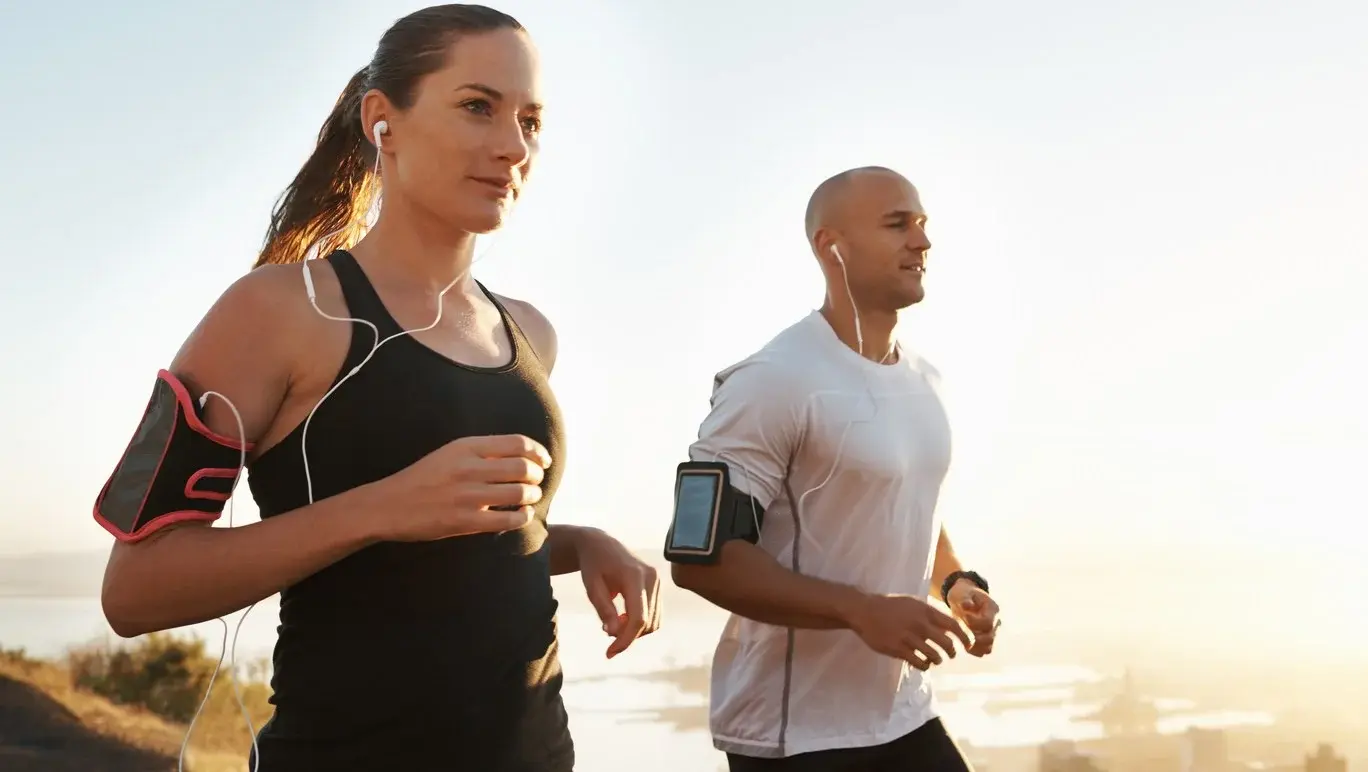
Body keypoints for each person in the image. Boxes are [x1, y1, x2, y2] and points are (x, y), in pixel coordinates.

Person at [95, 6, 660, 770]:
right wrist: (383, 507)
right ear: (382, 121)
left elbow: (460, 550)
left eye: (531, 121)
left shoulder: (530, 332)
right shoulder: (279, 310)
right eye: (477, 107)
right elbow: (135, 591)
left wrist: (582, 543)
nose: (512, 146)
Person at [670, 166, 1001, 771]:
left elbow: (906, 505)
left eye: (923, 226)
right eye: (898, 224)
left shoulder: (926, 381)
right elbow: (701, 559)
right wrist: (860, 610)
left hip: (903, 712)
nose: (922, 242)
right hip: (796, 736)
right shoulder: (772, 381)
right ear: (833, 247)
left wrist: (956, 584)